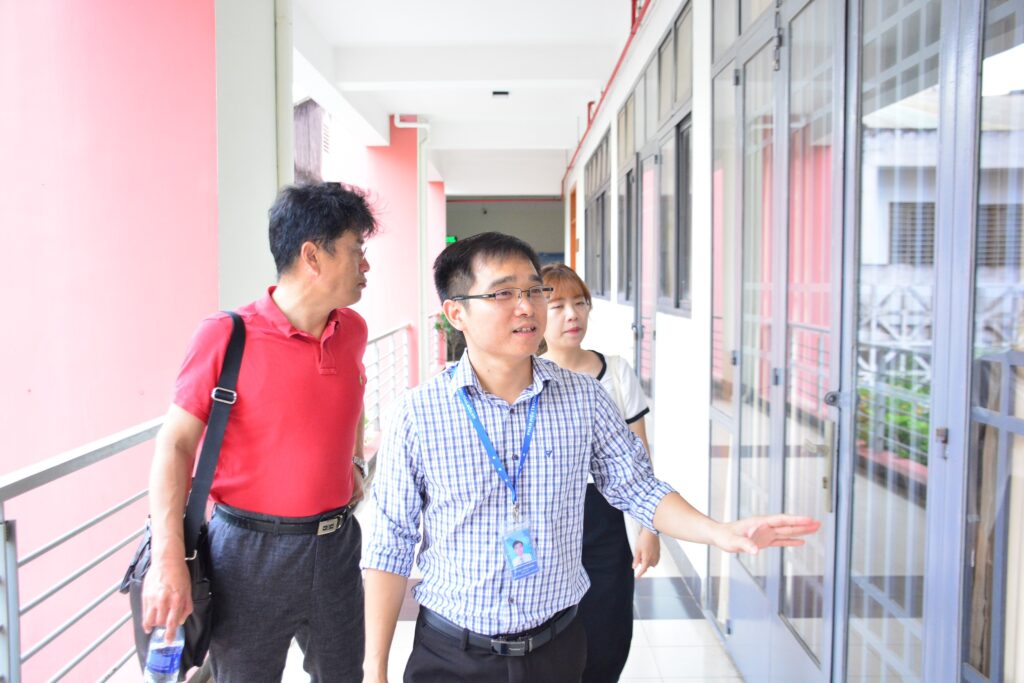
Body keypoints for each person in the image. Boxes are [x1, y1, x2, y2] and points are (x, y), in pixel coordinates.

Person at [362, 232, 819, 683]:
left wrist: (718, 532)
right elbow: (391, 545)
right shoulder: (418, 413)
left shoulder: (584, 397)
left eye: (533, 290)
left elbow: (638, 488)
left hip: (557, 650)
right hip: (454, 655)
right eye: (503, 293)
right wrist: (375, 668)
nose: (526, 307)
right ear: (456, 313)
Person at [143, 182, 377, 682]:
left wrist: (355, 460)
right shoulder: (226, 334)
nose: (366, 264)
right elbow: (175, 445)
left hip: (336, 544)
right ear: (312, 256)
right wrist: (168, 556)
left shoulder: (353, 330)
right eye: (356, 249)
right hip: (247, 554)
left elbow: (354, 398)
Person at [540, 262, 657, 683]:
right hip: (547, 517)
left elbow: (640, 458)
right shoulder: (527, 376)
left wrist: (649, 528)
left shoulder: (617, 371)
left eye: (580, 303)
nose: (572, 315)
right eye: (557, 306)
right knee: (550, 636)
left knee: (608, 631)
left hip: (606, 518)